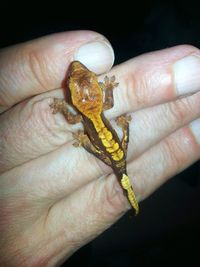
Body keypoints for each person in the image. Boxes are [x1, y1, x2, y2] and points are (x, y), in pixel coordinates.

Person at [0, 30, 199, 266]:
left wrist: (68, 116)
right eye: (75, 83)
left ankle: (131, 198)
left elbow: (74, 119)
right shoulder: (98, 106)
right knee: (115, 156)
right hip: (116, 150)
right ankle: (130, 196)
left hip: (112, 153)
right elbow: (108, 103)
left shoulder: (80, 116)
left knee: (108, 156)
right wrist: (112, 101)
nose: (77, 71)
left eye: (85, 77)